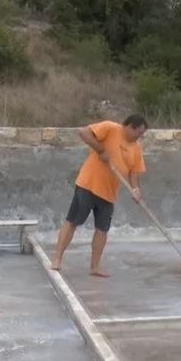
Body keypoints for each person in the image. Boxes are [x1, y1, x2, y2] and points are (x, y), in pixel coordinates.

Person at [51, 114, 148, 277]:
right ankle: (57, 259)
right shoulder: (110, 128)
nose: (139, 137)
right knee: (73, 221)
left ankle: (94, 267)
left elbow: (134, 173)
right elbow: (83, 132)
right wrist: (100, 149)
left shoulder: (136, 147)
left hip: (109, 192)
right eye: (138, 133)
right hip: (88, 185)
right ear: (130, 126)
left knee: (102, 229)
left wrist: (135, 189)